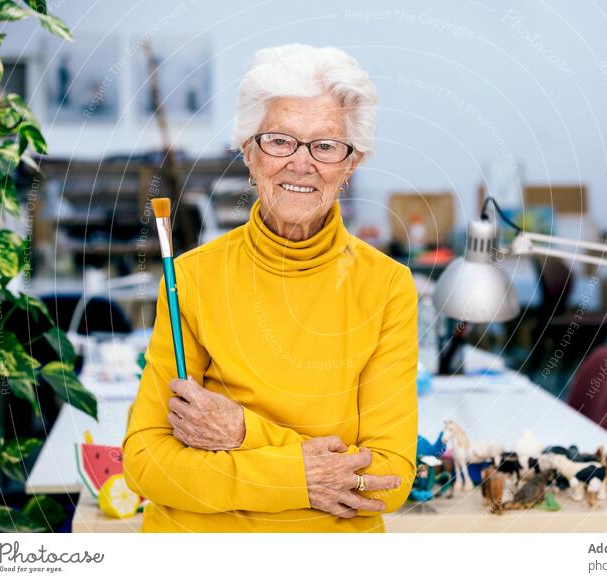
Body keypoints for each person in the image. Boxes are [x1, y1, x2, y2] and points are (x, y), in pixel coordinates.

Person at [122, 43, 419, 532]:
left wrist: (241, 433)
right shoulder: (191, 277)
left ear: (352, 164)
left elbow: (386, 477)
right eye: (279, 140)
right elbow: (147, 462)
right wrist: (299, 474)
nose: (300, 163)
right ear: (248, 151)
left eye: (325, 146)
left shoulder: (387, 287)